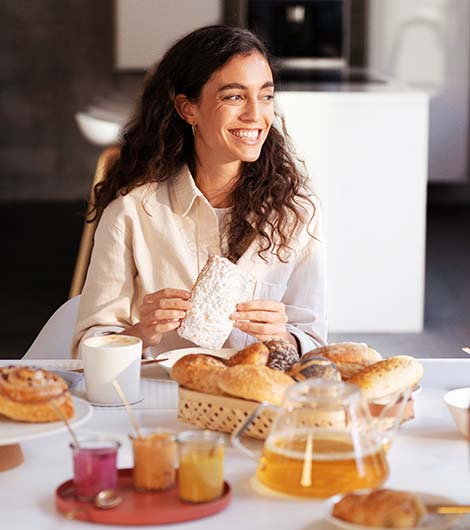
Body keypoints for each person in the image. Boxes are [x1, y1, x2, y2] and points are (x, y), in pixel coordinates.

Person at [72, 25, 327, 359]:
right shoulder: (132, 213)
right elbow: (85, 350)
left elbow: (313, 343)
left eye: (265, 96)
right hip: (158, 399)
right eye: (234, 96)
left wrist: (282, 337)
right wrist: (141, 332)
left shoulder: (296, 213)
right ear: (187, 108)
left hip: (255, 401)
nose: (255, 115)